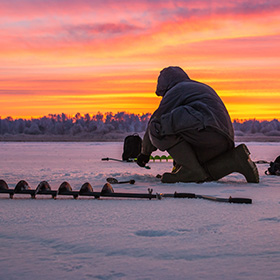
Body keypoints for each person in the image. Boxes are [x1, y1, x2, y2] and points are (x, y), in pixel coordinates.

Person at [137, 66, 259, 183]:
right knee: (203, 173)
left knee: (158, 126)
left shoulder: (176, 90)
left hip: (206, 133)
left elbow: (154, 123)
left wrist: (145, 153)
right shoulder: (199, 87)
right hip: (222, 142)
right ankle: (236, 159)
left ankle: (190, 170)